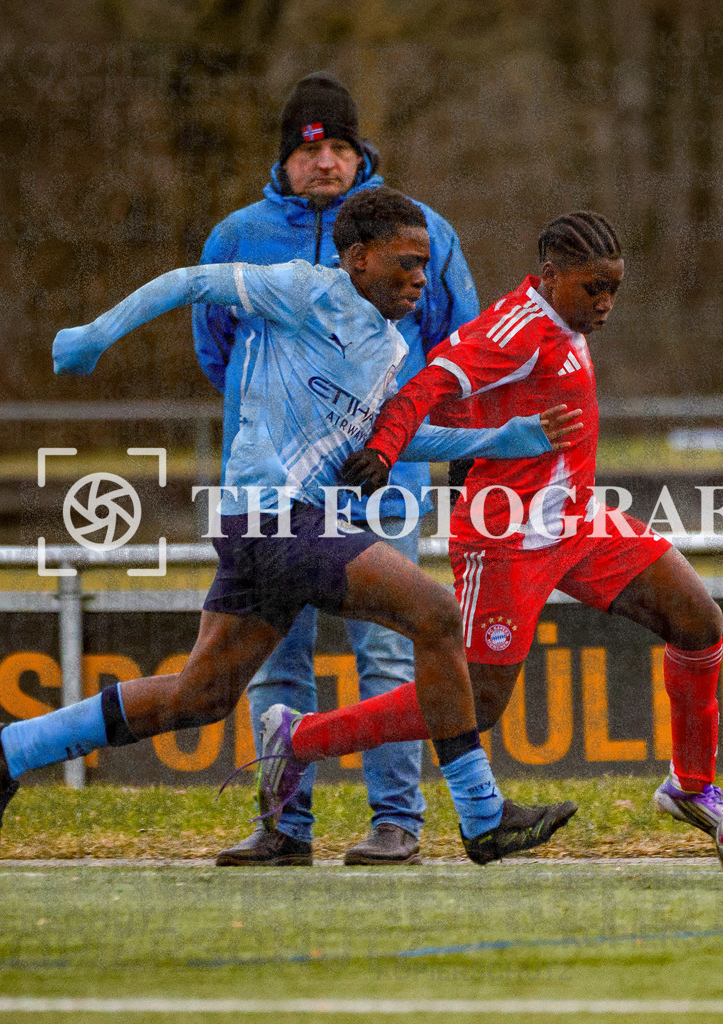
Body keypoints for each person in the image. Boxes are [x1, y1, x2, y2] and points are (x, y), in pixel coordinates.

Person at [0, 187, 577, 864]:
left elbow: (389, 438)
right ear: (356, 258)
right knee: (437, 615)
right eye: (406, 262)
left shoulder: (386, 346)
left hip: (269, 530)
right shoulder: (303, 290)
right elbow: (189, 282)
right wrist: (97, 334)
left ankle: (9, 749)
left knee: (200, 695)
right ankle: (481, 814)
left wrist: (504, 438)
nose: (420, 276)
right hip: (274, 521)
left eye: (425, 263)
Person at [257, 210, 723, 842]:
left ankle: (692, 787)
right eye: (595, 288)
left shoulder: (568, 318)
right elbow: (422, 387)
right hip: (505, 539)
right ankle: (299, 736)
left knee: (699, 621)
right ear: (552, 274)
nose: (607, 303)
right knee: (473, 703)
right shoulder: (514, 330)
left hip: (578, 522)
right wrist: (388, 449)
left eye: (615, 288)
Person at [194, 71, 481, 867]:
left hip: (379, 486)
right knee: (272, 661)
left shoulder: (423, 231)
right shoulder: (237, 237)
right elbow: (214, 349)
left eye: (341, 146)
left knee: (388, 649)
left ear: (362, 153)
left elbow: (459, 350)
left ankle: (397, 820)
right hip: (272, 496)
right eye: (309, 148)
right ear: (285, 157)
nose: (324, 162)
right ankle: (285, 827)